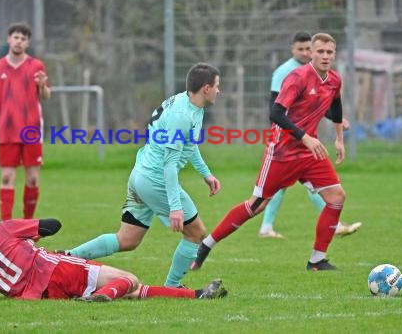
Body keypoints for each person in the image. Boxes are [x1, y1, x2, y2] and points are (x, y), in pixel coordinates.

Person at [191, 33, 348, 272]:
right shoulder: (297, 77)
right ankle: (206, 245)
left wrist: (339, 138)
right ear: (311, 54)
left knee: (337, 197)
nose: (325, 56)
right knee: (256, 206)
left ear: (334, 54)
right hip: (282, 151)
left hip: (308, 152)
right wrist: (304, 137)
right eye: (320, 52)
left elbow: (336, 107)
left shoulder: (334, 80)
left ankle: (317, 260)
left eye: (329, 52)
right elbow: (275, 114)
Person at [60, 63, 222, 287]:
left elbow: (189, 144)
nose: (218, 91)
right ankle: (172, 287)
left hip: (141, 175)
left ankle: (66, 257)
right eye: (217, 86)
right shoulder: (182, 115)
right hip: (156, 179)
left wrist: (206, 174)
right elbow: (169, 165)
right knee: (197, 233)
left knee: (127, 239)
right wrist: (175, 207)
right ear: (206, 88)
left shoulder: (190, 105)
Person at [0, 204, 228, 301]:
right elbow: (53, 225)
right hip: (54, 269)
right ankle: (101, 297)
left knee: (132, 291)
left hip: (38, 295)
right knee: (129, 279)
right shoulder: (3, 230)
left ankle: (197, 295)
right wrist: (31, 237)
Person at [259, 31, 362, 239]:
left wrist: (336, 120)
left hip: (303, 139)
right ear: (292, 49)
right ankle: (267, 227)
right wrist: (280, 139)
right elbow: (276, 108)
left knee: (309, 184)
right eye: (301, 49)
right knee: (283, 187)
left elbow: (314, 105)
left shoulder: (317, 72)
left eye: (308, 49)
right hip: (286, 139)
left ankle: (268, 227)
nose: (306, 53)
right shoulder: (285, 72)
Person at [0, 22, 51, 221]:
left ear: (28, 43)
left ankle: (27, 224)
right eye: (16, 37)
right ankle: (7, 228)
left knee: (33, 179)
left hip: (31, 131)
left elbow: (46, 95)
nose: (19, 41)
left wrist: (42, 85)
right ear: (9, 39)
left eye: (23, 38)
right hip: (7, 130)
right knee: (7, 178)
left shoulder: (36, 66)